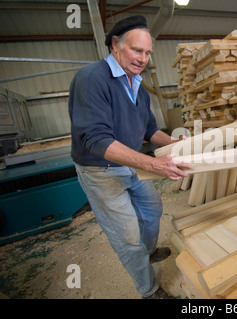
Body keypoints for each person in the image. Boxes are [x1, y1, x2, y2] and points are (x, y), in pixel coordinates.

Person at [68, 15, 192, 299]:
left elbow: (149, 130)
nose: (143, 59)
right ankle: (148, 290)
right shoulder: (91, 78)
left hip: (131, 164)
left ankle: (146, 254)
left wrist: (176, 144)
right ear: (115, 45)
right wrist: (152, 163)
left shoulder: (136, 83)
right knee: (128, 237)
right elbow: (95, 139)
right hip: (101, 171)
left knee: (152, 210)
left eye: (147, 53)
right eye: (137, 50)